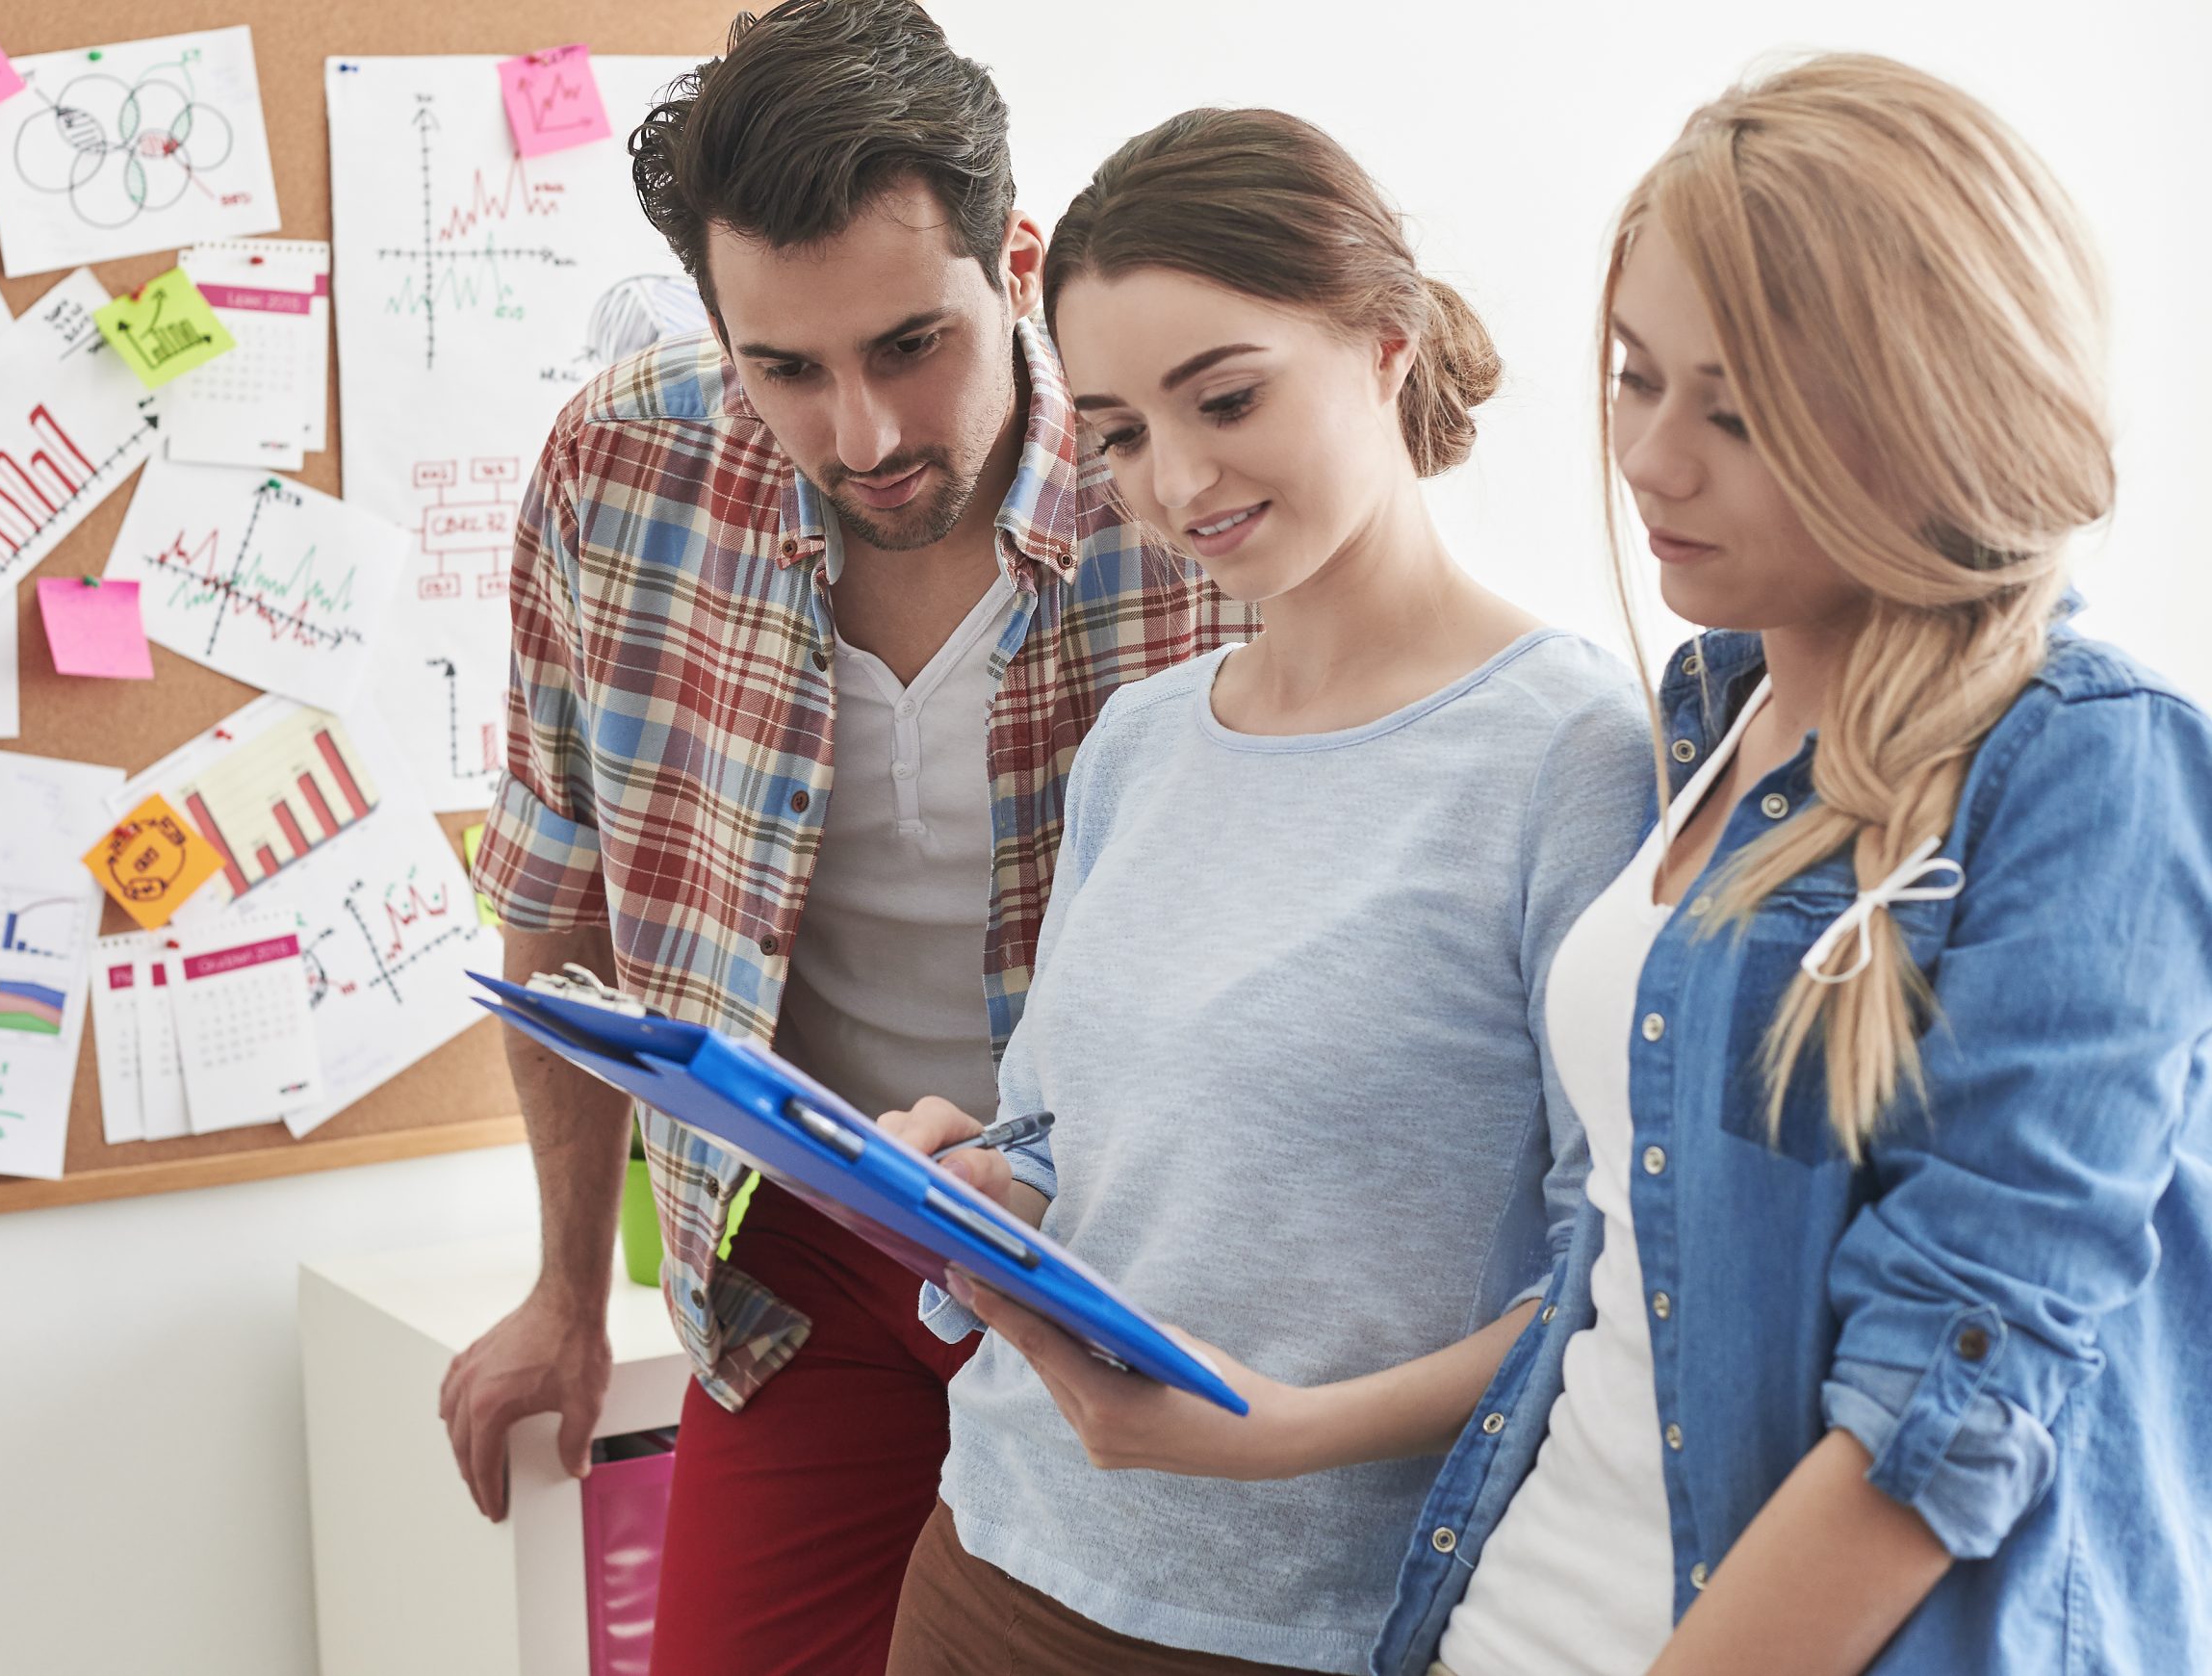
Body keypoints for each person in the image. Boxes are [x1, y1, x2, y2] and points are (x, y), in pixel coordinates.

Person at [947, 54, 2212, 1676]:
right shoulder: (1714, 720)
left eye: (1734, 409)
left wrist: (1297, 1429)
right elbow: (1623, 1270)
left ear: (1937, 394)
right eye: (1635, 378)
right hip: (1493, 1605)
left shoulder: (2086, 758)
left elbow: (1953, 1397)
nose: (1653, 461)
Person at [440, 5, 1248, 1670]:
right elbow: (557, 903)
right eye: (787, 369)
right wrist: (566, 1289)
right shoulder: (621, 468)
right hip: (803, 1245)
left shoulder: (1184, 492)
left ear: (1015, 264)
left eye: (908, 345)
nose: (863, 435)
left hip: (1122, 1253)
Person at [876, 109, 1654, 1675]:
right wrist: (979, 1184)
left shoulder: (1574, 760)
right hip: (987, 1558)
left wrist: (1289, 1429)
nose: (1175, 481)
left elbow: (1620, 1279)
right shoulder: (1141, 740)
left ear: (1386, 344)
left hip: (1295, 1618)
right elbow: (1066, 1134)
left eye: (1225, 398)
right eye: (1117, 434)